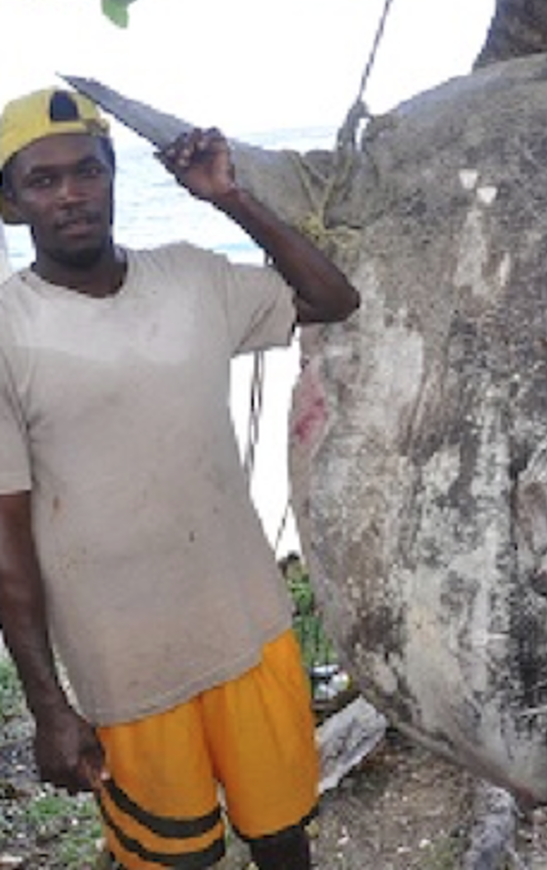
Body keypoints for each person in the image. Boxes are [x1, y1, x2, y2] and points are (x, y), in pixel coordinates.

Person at [0, 88, 360, 869]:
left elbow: (332, 297)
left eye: (88, 173)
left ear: (113, 178)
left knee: (282, 837)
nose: (72, 196)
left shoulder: (194, 278)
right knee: (178, 861)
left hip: (249, 629)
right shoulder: (6, 333)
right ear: (13, 203)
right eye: (44, 181)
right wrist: (47, 706)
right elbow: (7, 545)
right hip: (127, 665)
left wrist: (229, 197)